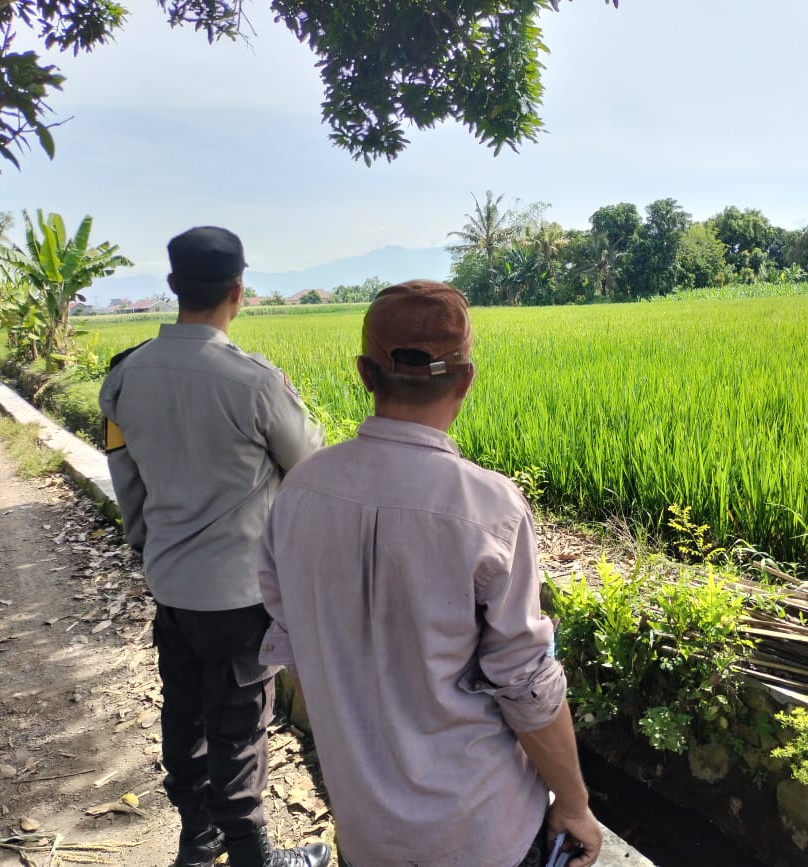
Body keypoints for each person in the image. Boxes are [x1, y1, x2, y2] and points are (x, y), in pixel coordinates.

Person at [257, 280, 602, 867]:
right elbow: (525, 682)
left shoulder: (299, 493)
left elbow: (294, 640)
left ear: (365, 373)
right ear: (466, 379)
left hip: (367, 831)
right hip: (482, 831)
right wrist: (573, 805)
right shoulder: (489, 509)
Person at [99, 226, 330, 867]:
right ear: (239, 292)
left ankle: (196, 844)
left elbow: (128, 482)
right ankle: (254, 854)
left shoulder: (124, 378)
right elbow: (309, 468)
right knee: (238, 729)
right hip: (241, 596)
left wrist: (150, 551)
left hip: (171, 587)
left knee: (185, 713)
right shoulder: (254, 383)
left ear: (173, 286)